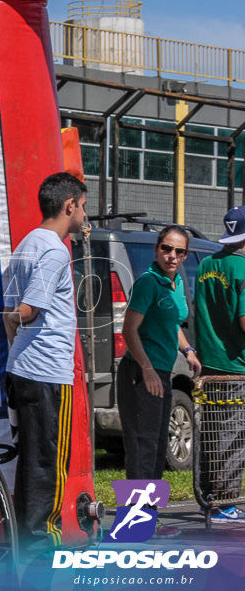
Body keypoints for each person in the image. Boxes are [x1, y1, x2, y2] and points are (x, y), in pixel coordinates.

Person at [2, 172, 86, 549]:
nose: (84, 215)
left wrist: (16, 342)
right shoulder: (54, 249)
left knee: (30, 466)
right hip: (48, 373)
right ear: (69, 205)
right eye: (83, 207)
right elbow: (28, 309)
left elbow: (8, 314)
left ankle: (26, 549)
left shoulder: (27, 244)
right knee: (48, 468)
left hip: (22, 369)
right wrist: (24, 320)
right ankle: (42, 553)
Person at [119, 224, 201, 535]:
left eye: (179, 251)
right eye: (167, 248)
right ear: (157, 249)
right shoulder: (148, 283)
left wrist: (189, 350)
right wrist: (148, 369)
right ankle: (135, 524)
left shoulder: (176, 282)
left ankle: (147, 520)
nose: (172, 256)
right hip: (141, 374)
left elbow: (174, 324)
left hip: (162, 372)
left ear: (185, 255)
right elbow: (130, 331)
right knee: (142, 447)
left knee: (156, 449)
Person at [193, 205, 245, 521]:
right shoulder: (242, 269)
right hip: (235, 365)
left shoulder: (206, 265)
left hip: (208, 362)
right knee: (234, 436)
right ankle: (224, 502)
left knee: (211, 435)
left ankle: (208, 497)